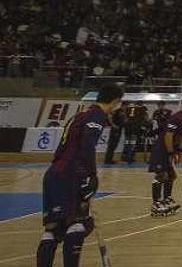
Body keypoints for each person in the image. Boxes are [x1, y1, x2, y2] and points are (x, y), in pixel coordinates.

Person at [36, 84, 123, 267]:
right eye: (119, 103)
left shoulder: (80, 115)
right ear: (115, 102)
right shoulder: (97, 115)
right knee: (78, 222)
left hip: (53, 174)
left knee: (53, 228)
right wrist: (90, 175)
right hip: (72, 173)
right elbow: (87, 145)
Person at [148, 97, 182, 216]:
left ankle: (167, 199)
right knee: (161, 174)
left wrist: (179, 151)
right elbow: (168, 136)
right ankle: (156, 203)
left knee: (171, 175)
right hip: (163, 149)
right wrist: (170, 152)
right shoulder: (176, 117)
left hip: (174, 150)